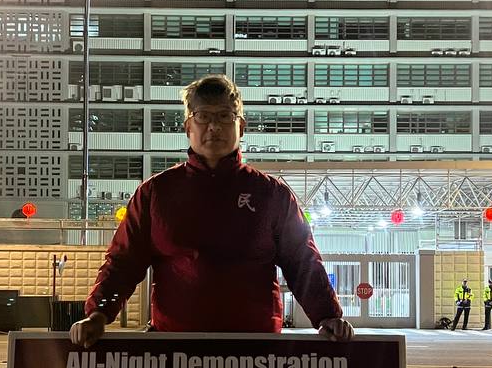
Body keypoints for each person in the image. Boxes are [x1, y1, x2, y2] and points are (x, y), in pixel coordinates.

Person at [70, 74, 354, 347]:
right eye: (203, 116)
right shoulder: (156, 193)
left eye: (225, 116)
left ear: (241, 127)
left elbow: (303, 262)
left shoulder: (271, 195)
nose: (214, 127)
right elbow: (123, 263)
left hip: (256, 356)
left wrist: (327, 315)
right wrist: (99, 314)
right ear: (187, 127)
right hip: (174, 354)